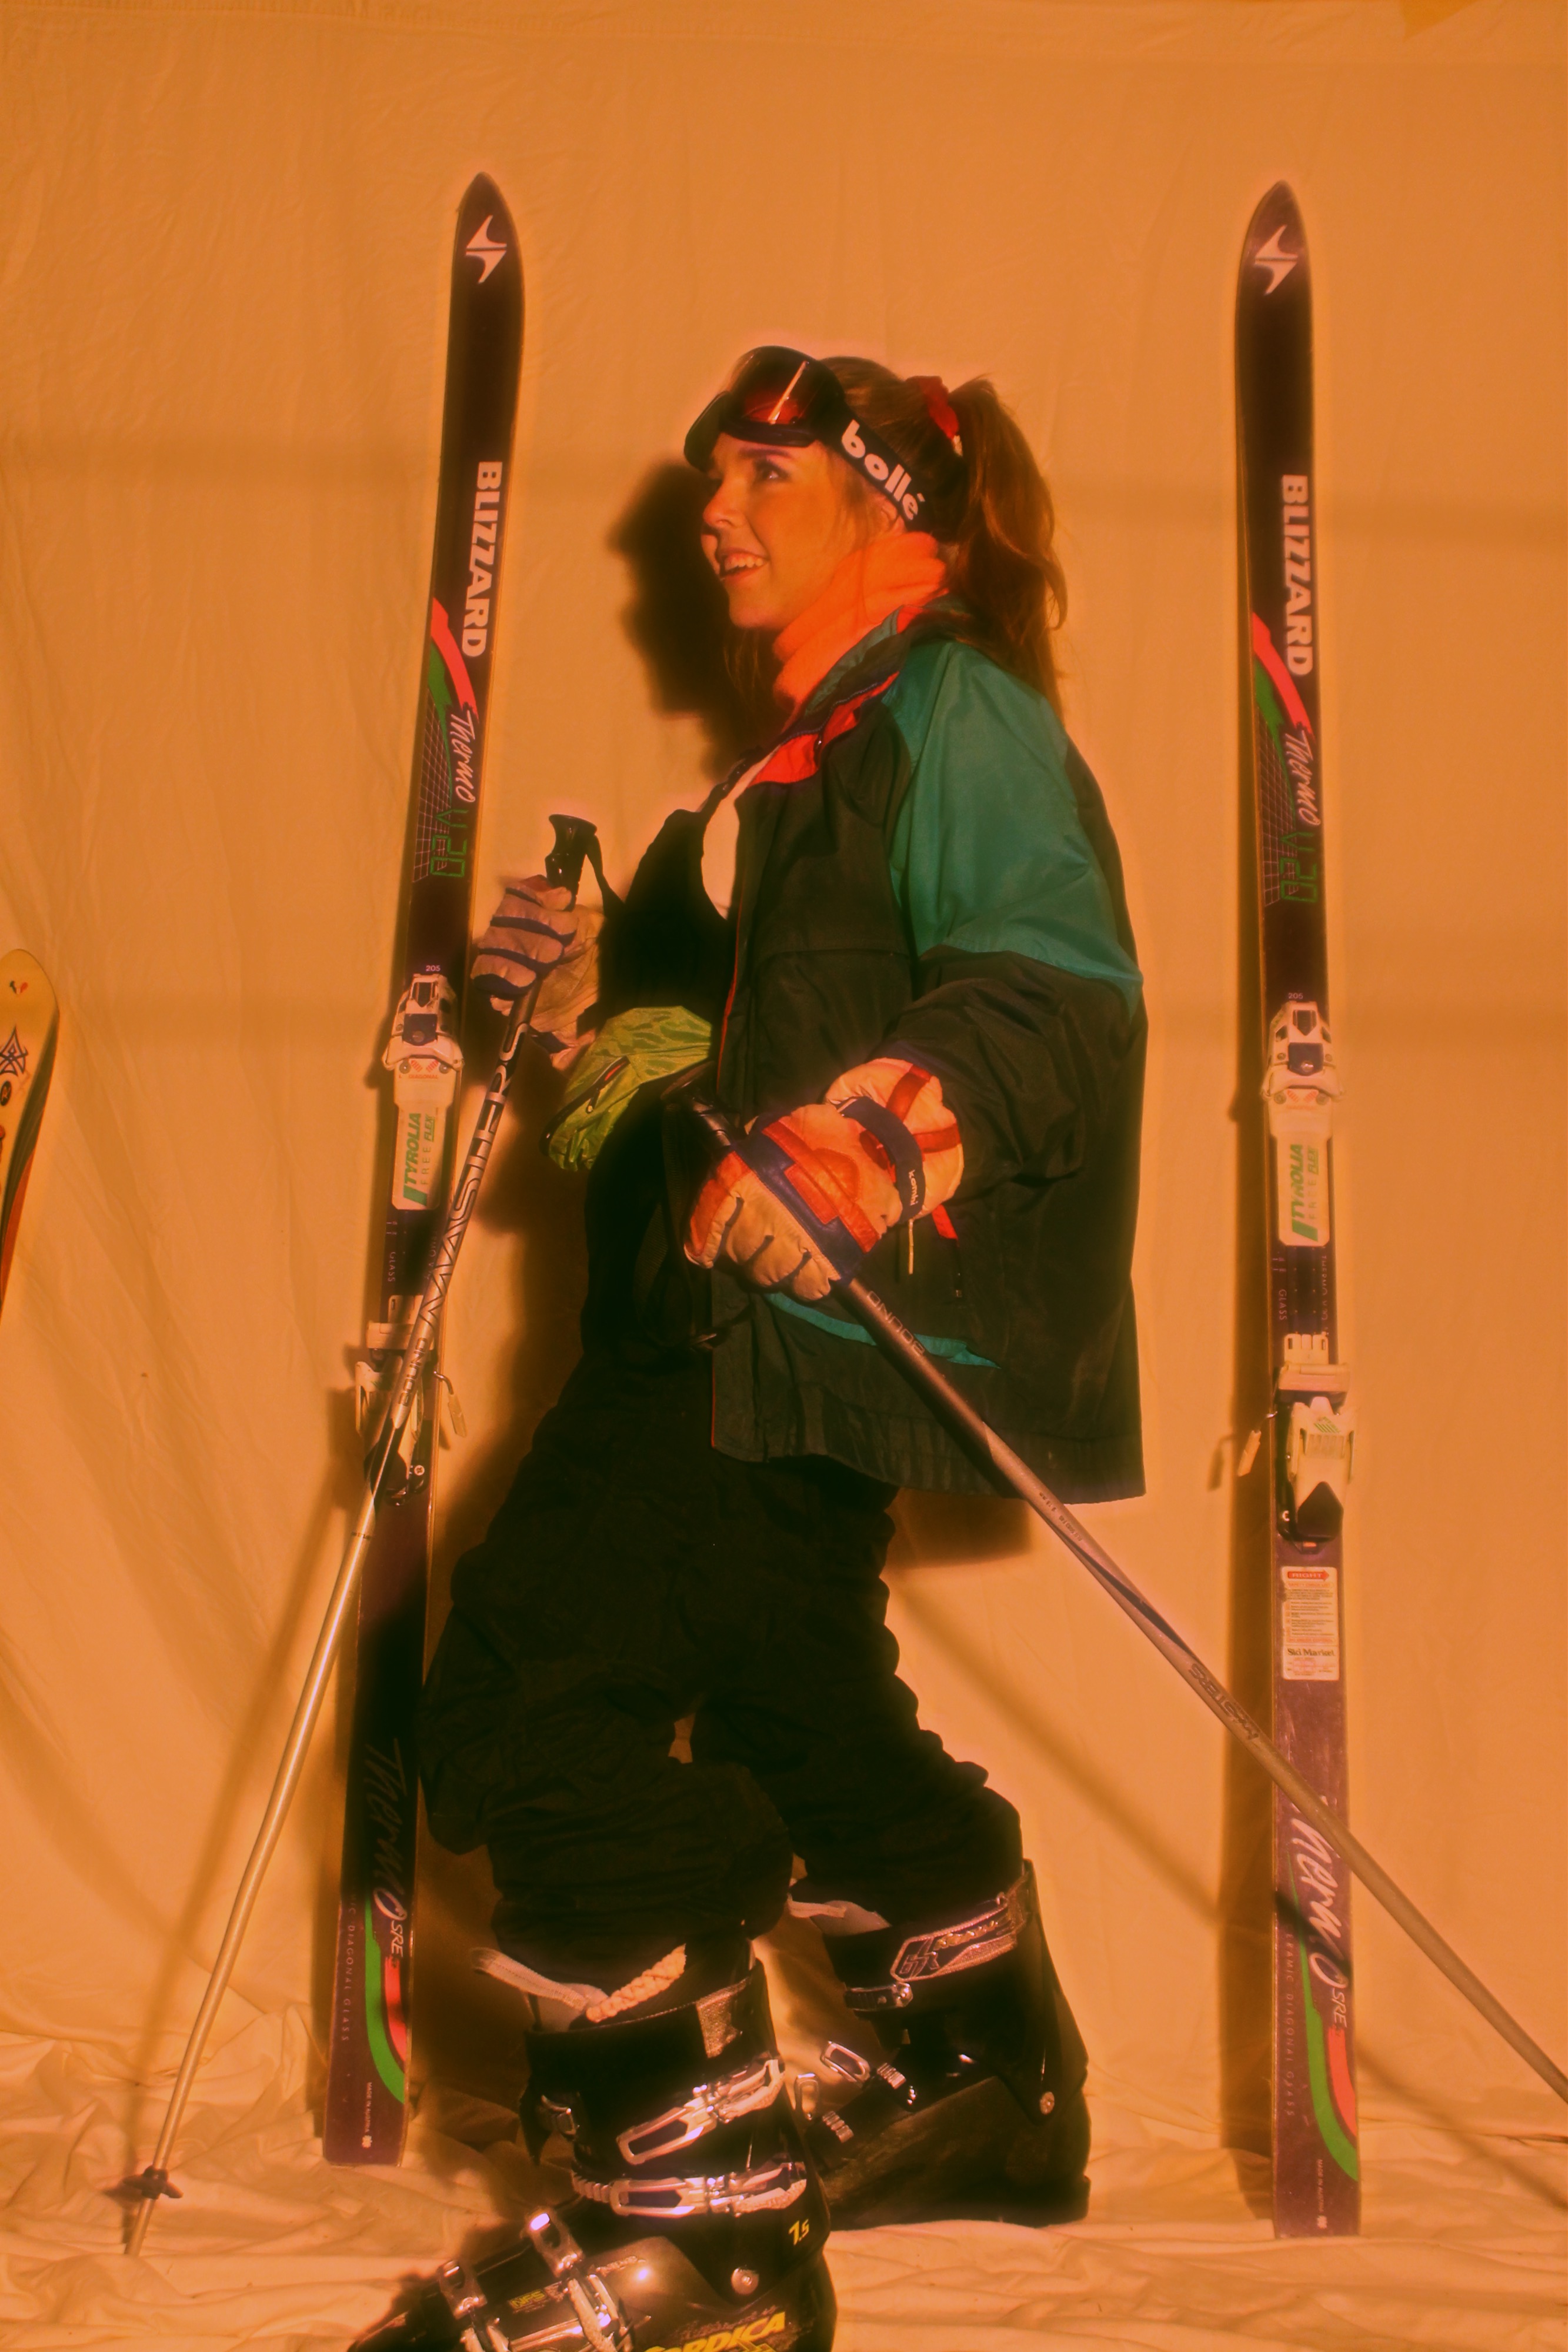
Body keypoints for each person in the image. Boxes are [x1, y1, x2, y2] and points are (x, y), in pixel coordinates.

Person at [373, 351, 1145, 2352]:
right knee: (781, 1675)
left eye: (764, 477)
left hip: (787, 1324)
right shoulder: (792, 762)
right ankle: (984, 2075)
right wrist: (583, 998)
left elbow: (1054, 989)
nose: (714, 512)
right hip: (721, 1324)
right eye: (712, 478)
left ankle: (697, 2226)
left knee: (530, 1699)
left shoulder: (952, 714)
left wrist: (861, 1148)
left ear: (895, 510)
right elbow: (681, 1087)